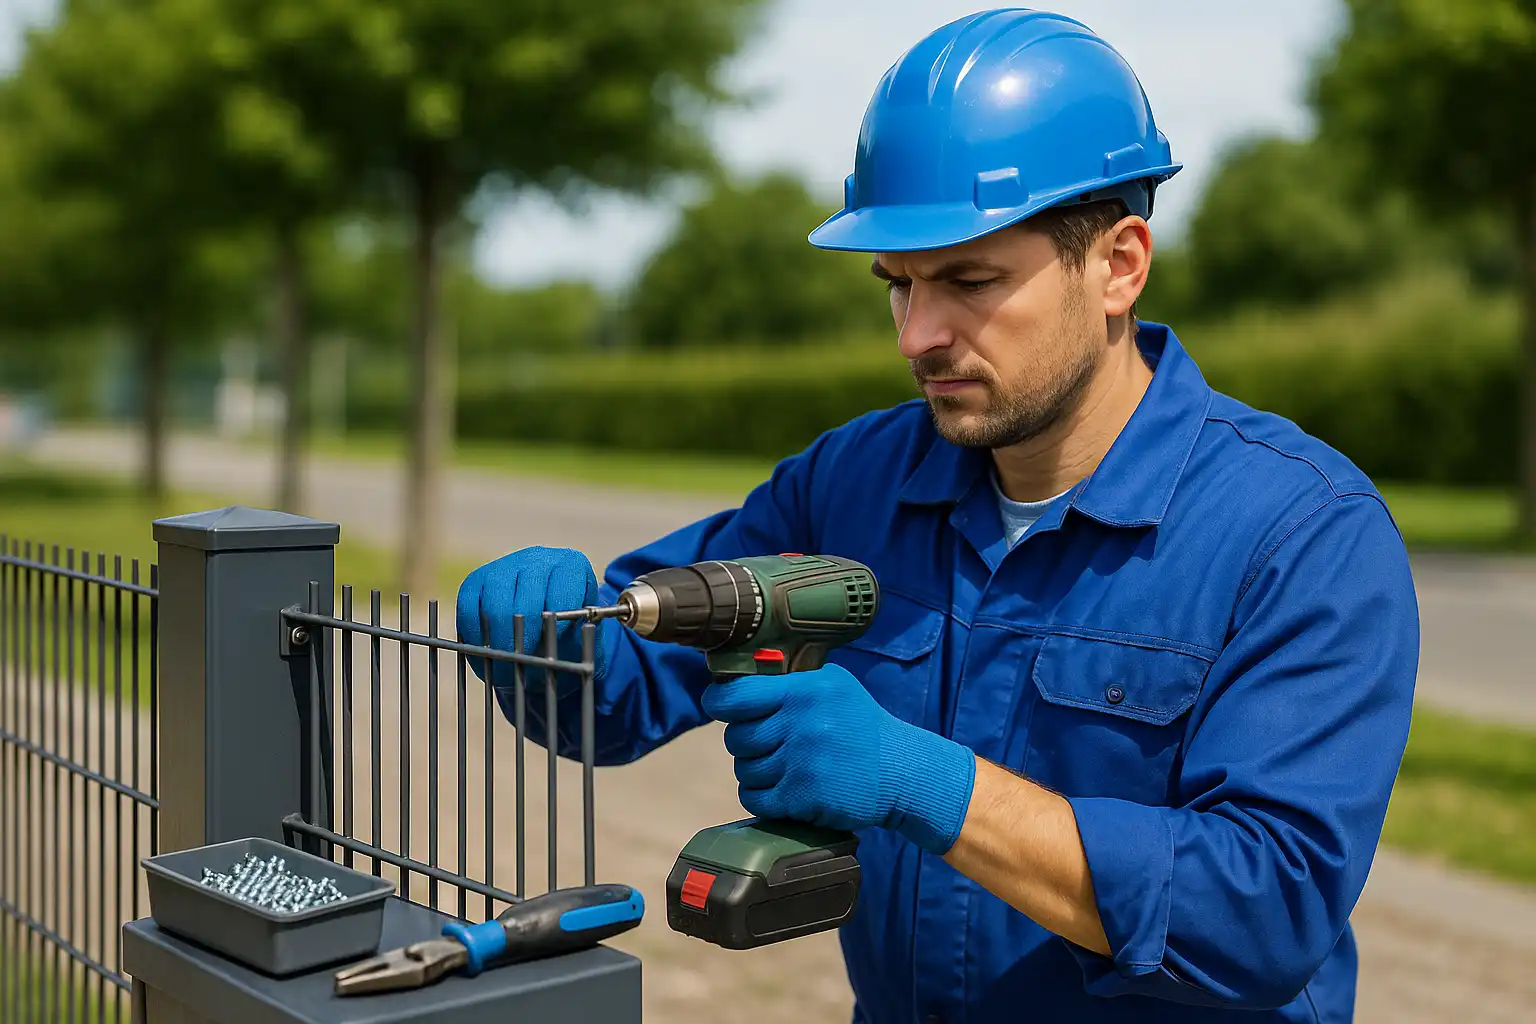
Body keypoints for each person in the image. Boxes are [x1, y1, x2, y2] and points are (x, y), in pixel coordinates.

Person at [457, 9, 1419, 1022]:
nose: (920, 335)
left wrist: (932, 784)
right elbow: (632, 686)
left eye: (969, 280)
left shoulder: (1302, 534)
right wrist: (546, 640)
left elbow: (1264, 911)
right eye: (900, 286)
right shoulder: (854, 480)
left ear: (1120, 265)